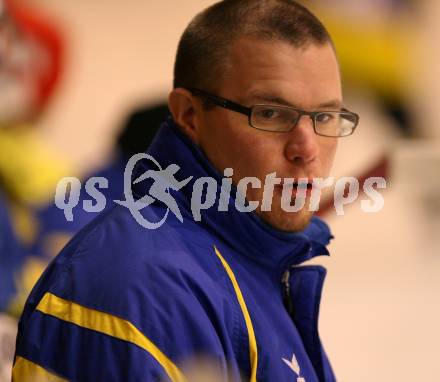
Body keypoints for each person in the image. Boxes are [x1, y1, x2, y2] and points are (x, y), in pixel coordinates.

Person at [12, 1, 359, 381]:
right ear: (190, 115)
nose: (306, 149)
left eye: (325, 116)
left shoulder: (250, 260)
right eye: (271, 114)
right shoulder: (141, 289)